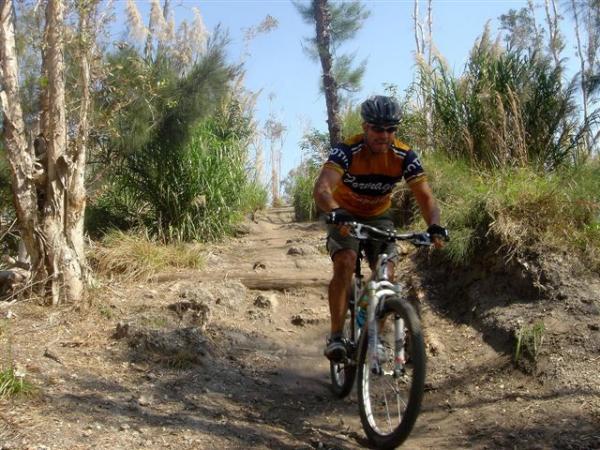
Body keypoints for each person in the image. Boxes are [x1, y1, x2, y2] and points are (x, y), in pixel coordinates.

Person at [313, 95, 448, 362]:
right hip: (345, 214)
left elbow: (426, 197)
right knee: (345, 262)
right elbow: (322, 188)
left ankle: (374, 334)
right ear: (365, 127)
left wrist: (434, 226)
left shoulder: (404, 155)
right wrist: (335, 212)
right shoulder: (347, 151)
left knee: (387, 274)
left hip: (378, 216)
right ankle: (337, 336)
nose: (384, 135)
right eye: (377, 128)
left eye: (390, 129)